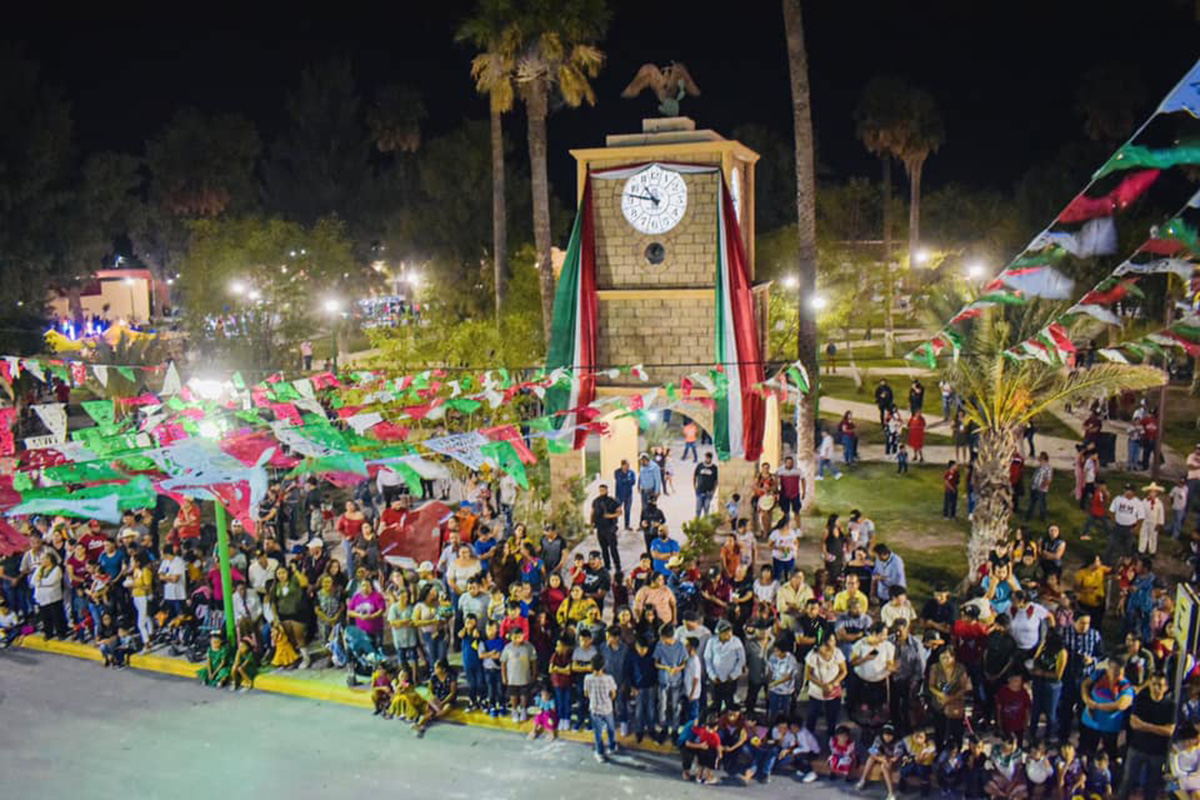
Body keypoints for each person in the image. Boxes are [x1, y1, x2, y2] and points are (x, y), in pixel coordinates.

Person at [1116, 671, 1173, 800]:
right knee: (1127, 783)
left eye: (1160, 685)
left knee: (1151, 788)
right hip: (1137, 748)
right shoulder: (1141, 700)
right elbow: (1134, 723)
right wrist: (1157, 728)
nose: (1157, 688)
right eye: (1153, 684)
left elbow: (1169, 731)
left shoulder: (1170, 705)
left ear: (1166, 687)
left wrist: (1145, 726)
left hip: (1158, 753)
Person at [584, 655, 619, 762]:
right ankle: (612, 747)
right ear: (603, 666)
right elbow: (613, 695)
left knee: (597, 733)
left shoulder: (588, 678)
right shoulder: (609, 679)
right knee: (611, 729)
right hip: (607, 709)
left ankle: (600, 752)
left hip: (594, 709)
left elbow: (586, 693)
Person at [590, 484, 622, 574]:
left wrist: (610, 516)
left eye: (603, 490)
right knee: (604, 549)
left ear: (607, 490)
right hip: (600, 528)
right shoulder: (596, 501)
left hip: (610, 528)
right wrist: (591, 524)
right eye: (600, 490)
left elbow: (619, 512)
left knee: (613, 549)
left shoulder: (612, 501)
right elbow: (592, 513)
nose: (602, 492)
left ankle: (617, 566)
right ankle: (607, 566)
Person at [774, 456, 804, 529]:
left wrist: (804, 492)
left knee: (796, 512)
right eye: (788, 463)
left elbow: (803, 480)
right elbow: (775, 479)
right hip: (784, 494)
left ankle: (798, 528)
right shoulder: (780, 471)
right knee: (785, 512)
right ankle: (786, 527)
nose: (789, 464)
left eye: (791, 463)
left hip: (795, 494)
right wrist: (776, 489)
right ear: (785, 463)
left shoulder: (797, 471)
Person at [1139, 482, 1166, 555]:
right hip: (1145, 521)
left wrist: (1159, 523)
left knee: (1153, 536)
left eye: (1154, 492)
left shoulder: (1159, 503)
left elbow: (1161, 514)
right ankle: (1141, 550)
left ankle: (1152, 551)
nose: (1152, 494)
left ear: (1157, 493)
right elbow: (1140, 509)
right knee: (1143, 535)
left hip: (1154, 522)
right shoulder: (1144, 501)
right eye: (1151, 492)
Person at [693, 452, 718, 519]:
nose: (707, 459)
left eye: (708, 458)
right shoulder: (700, 466)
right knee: (698, 508)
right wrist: (694, 486)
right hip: (700, 490)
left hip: (709, 492)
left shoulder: (714, 468)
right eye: (706, 458)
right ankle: (697, 521)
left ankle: (705, 521)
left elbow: (716, 480)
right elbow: (695, 476)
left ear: (710, 459)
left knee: (706, 507)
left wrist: (713, 490)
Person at [613, 460, 636, 531]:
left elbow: (633, 482)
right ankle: (614, 524)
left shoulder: (631, 472)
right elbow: (619, 481)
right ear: (622, 465)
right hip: (619, 494)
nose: (627, 467)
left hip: (628, 494)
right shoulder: (617, 472)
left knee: (627, 510)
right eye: (626, 465)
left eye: (628, 465)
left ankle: (627, 525)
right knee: (616, 509)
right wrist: (627, 480)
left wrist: (626, 480)